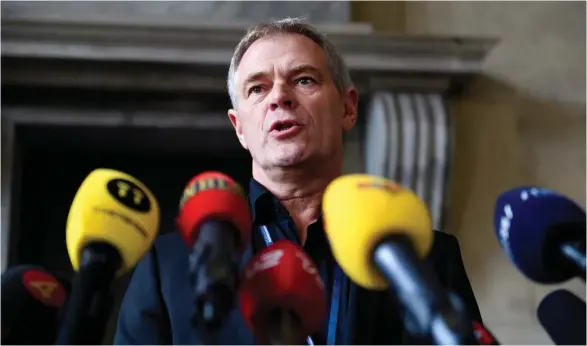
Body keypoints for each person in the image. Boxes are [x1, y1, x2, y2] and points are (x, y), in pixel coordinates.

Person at [114, 17, 483, 345]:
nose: (279, 97)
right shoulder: (167, 265)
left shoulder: (424, 258)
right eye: (257, 88)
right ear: (239, 127)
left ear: (348, 108)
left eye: (303, 79)